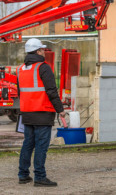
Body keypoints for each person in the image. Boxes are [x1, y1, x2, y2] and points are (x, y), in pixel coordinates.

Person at [17, 38, 66, 187]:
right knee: (41, 146)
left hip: (27, 113)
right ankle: (39, 177)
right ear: (38, 51)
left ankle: (23, 175)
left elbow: (21, 92)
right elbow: (51, 91)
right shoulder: (43, 67)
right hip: (43, 112)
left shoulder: (20, 69)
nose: (44, 51)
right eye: (42, 49)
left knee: (28, 144)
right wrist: (60, 109)